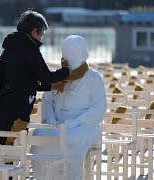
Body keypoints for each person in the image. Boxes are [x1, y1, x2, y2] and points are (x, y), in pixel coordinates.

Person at [0, 9, 71, 145]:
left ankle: (7, 163)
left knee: (7, 149)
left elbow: (22, 79)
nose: (42, 37)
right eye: (42, 33)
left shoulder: (11, 46)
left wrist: (48, 87)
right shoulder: (29, 48)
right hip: (15, 112)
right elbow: (47, 76)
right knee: (15, 149)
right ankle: (11, 164)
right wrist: (67, 70)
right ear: (35, 31)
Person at [30, 35, 107, 180]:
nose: (68, 59)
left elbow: (100, 107)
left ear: (84, 55)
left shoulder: (93, 78)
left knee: (71, 139)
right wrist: (50, 117)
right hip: (58, 124)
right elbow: (47, 100)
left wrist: (78, 121)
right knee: (38, 135)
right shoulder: (59, 76)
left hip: (85, 127)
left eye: (72, 54)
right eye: (65, 55)